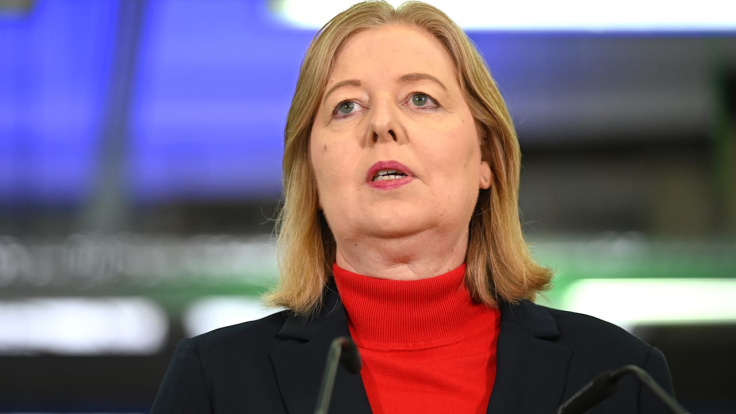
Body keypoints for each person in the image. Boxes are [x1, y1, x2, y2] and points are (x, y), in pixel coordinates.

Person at [150, 1, 675, 413]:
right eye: (346, 106)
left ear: (487, 158)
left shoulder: (620, 376)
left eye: (421, 99)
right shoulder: (214, 381)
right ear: (311, 178)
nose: (382, 124)